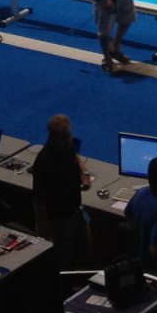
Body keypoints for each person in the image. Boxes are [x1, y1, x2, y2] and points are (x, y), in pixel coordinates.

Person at [28, 114, 95, 269]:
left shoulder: (65, 145)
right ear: (53, 137)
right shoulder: (44, 162)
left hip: (76, 212)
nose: (68, 139)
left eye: (69, 135)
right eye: (64, 137)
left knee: (87, 257)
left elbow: (75, 157)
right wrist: (44, 235)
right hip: (57, 222)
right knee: (62, 264)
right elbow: (38, 201)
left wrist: (84, 175)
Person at [124, 154, 157, 273]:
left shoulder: (141, 193)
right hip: (155, 269)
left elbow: (128, 214)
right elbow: (156, 250)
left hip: (140, 259)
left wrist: (141, 234)